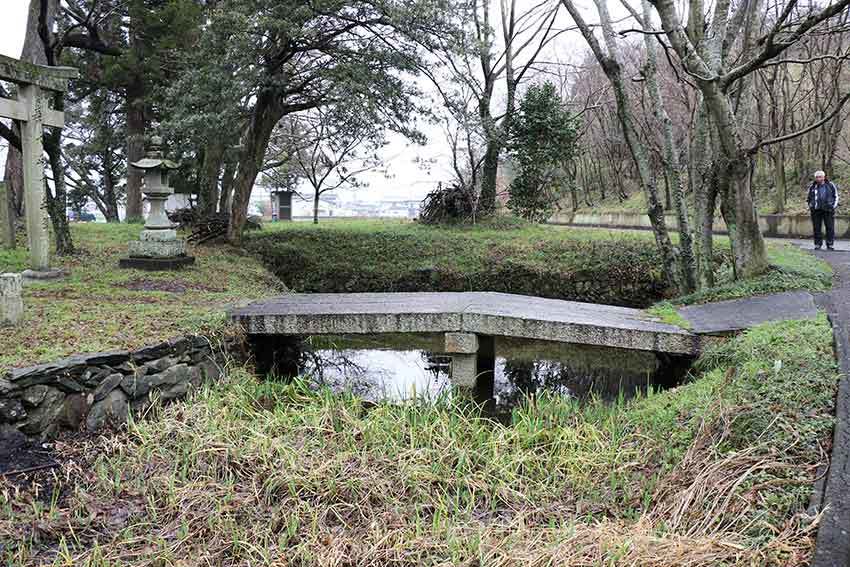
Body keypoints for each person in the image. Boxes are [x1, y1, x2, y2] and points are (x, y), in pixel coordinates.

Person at [806, 170, 839, 250]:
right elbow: (809, 198)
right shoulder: (812, 186)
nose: (818, 178)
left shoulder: (830, 185)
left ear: (824, 177)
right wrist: (811, 206)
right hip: (816, 210)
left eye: (820, 177)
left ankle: (830, 244)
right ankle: (818, 244)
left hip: (828, 210)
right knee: (817, 228)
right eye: (817, 177)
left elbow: (836, 196)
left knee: (830, 227)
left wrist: (832, 206)